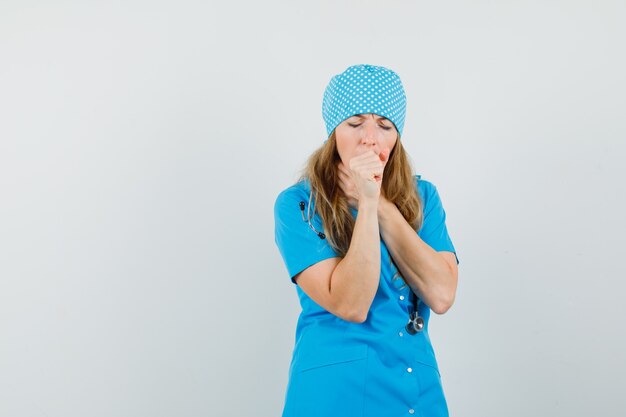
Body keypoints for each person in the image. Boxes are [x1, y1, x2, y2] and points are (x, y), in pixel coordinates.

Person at [273, 64, 460, 417]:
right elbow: (352, 304)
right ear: (334, 133)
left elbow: (442, 294)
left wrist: (381, 206)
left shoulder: (424, 198)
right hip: (333, 392)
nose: (370, 138)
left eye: (385, 126)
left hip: (415, 392)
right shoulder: (299, 204)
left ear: (397, 138)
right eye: (355, 123)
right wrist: (368, 203)